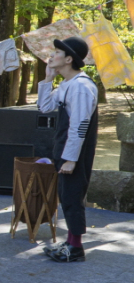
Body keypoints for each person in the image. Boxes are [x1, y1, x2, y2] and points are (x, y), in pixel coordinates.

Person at [38, 36, 98, 263]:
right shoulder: (67, 85)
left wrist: (71, 158)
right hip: (64, 150)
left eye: (57, 53)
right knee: (66, 195)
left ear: (69, 59)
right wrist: (48, 79)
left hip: (75, 152)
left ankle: (76, 248)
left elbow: (80, 126)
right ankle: (71, 242)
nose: (51, 56)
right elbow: (44, 107)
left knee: (73, 196)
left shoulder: (81, 87)